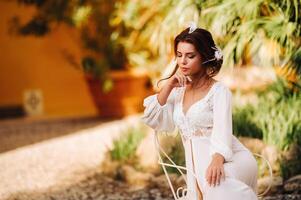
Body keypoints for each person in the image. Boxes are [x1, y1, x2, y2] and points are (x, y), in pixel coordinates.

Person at [141, 25, 258, 200]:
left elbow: (223, 129)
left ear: (204, 57)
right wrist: (168, 86)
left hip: (229, 160)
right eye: (179, 55)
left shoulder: (219, 91)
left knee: (218, 188)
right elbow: (151, 117)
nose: (183, 62)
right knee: (207, 188)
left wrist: (217, 159)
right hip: (198, 172)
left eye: (190, 56)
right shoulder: (178, 92)